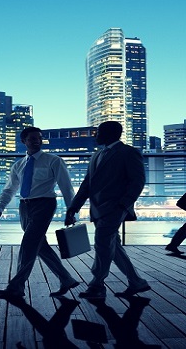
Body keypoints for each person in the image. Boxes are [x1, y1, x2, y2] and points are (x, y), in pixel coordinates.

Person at [65, 121, 149, 300]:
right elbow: (87, 184)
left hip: (115, 208)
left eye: (99, 132)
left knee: (102, 244)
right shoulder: (97, 155)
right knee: (113, 246)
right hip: (98, 209)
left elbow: (138, 181)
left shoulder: (128, 152)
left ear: (111, 134)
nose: (96, 136)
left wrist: (123, 205)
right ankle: (136, 281)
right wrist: (74, 206)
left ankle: (96, 284)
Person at [0, 127, 81, 298]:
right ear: (23, 141)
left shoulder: (53, 160)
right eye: (32, 138)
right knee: (40, 246)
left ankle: (16, 287)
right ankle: (66, 279)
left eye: (39, 138)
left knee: (28, 244)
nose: (37, 141)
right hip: (24, 206)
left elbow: (66, 188)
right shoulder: (18, 165)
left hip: (45, 204)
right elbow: (9, 189)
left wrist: (72, 212)